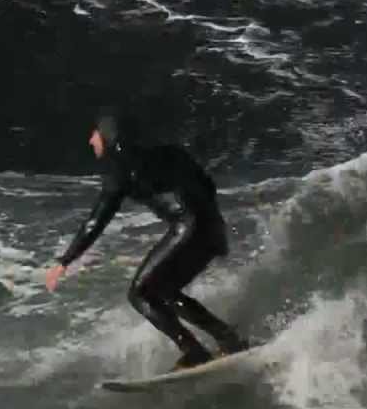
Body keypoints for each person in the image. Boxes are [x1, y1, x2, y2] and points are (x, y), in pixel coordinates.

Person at [44, 109, 250, 368]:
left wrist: (65, 261)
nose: (91, 140)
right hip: (212, 227)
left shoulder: (120, 171)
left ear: (107, 137)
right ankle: (228, 338)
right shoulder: (170, 152)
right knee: (164, 290)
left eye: (95, 134)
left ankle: (194, 351)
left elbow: (96, 221)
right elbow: (208, 185)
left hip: (189, 228)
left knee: (140, 293)